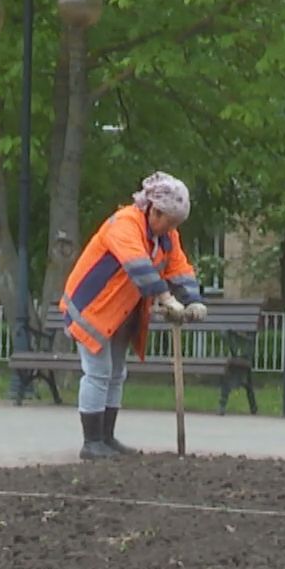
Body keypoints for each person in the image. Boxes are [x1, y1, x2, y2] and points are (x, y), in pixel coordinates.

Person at [60, 172, 206, 459]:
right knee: (98, 373)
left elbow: (179, 268)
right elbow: (138, 266)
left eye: (177, 224)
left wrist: (194, 301)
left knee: (116, 375)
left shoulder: (166, 235)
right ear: (156, 211)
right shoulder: (125, 223)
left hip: (121, 312)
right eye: (171, 222)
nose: (173, 229)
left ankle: (107, 438)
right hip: (93, 310)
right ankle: (91, 443)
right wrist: (166, 298)